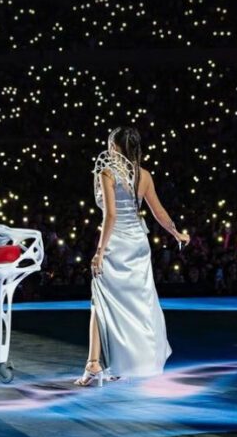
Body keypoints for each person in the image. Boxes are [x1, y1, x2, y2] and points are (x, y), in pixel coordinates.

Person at [76, 127, 189, 386]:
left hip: (117, 244)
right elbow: (159, 212)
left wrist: (99, 252)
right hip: (139, 244)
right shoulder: (145, 175)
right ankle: (119, 362)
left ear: (115, 147)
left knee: (100, 302)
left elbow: (111, 216)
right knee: (138, 304)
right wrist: (177, 234)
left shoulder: (107, 172)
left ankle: (94, 364)